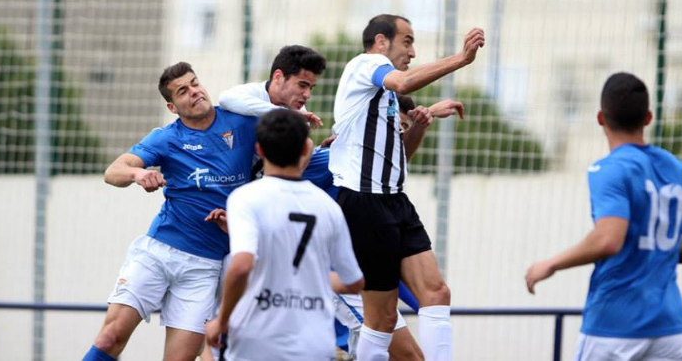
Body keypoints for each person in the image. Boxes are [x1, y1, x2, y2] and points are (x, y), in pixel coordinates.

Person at [218, 45, 428, 360]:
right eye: (302, 85)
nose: (306, 95)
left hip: (297, 281)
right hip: (277, 274)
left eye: (311, 88)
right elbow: (226, 99)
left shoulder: (320, 190)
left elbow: (378, 164)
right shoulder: (249, 109)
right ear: (278, 77)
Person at [330, 13, 484, 361]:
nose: (413, 52)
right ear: (381, 42)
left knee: (437, 292)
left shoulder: (383, 100)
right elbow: (404, 83)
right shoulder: (365, 64)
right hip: (364, 204)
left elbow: (397, 154)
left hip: (395, 201)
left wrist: (424, 118)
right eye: (407, 41)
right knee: (381, 320)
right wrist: (461, 59)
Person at [82, 62, 258, 361]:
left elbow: (288, 140)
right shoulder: (167, 138)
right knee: (111, 338)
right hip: (158, 253)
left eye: (195, 83)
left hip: (204, 267)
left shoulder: (241, 122)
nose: (194, 92)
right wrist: (138, 174)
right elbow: (113, 172)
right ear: (172, 107)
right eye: (183, 91)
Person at [525, 72, 682, 361]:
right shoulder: (678, 170)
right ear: (648, 118)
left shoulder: (609, 169)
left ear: (601, 118)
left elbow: (609, 240)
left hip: (615, 326)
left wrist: (551, 263)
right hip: (669, 329)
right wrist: (660, 253)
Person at [204, 109, 365, 361]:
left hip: (257, 342)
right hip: (314, 345)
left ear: (259, 150)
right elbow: (354, 281)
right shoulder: (328, 207)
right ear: (306, 149)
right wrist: (308, 276)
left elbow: (242, 265)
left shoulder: (245, 197)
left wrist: (221, 320)